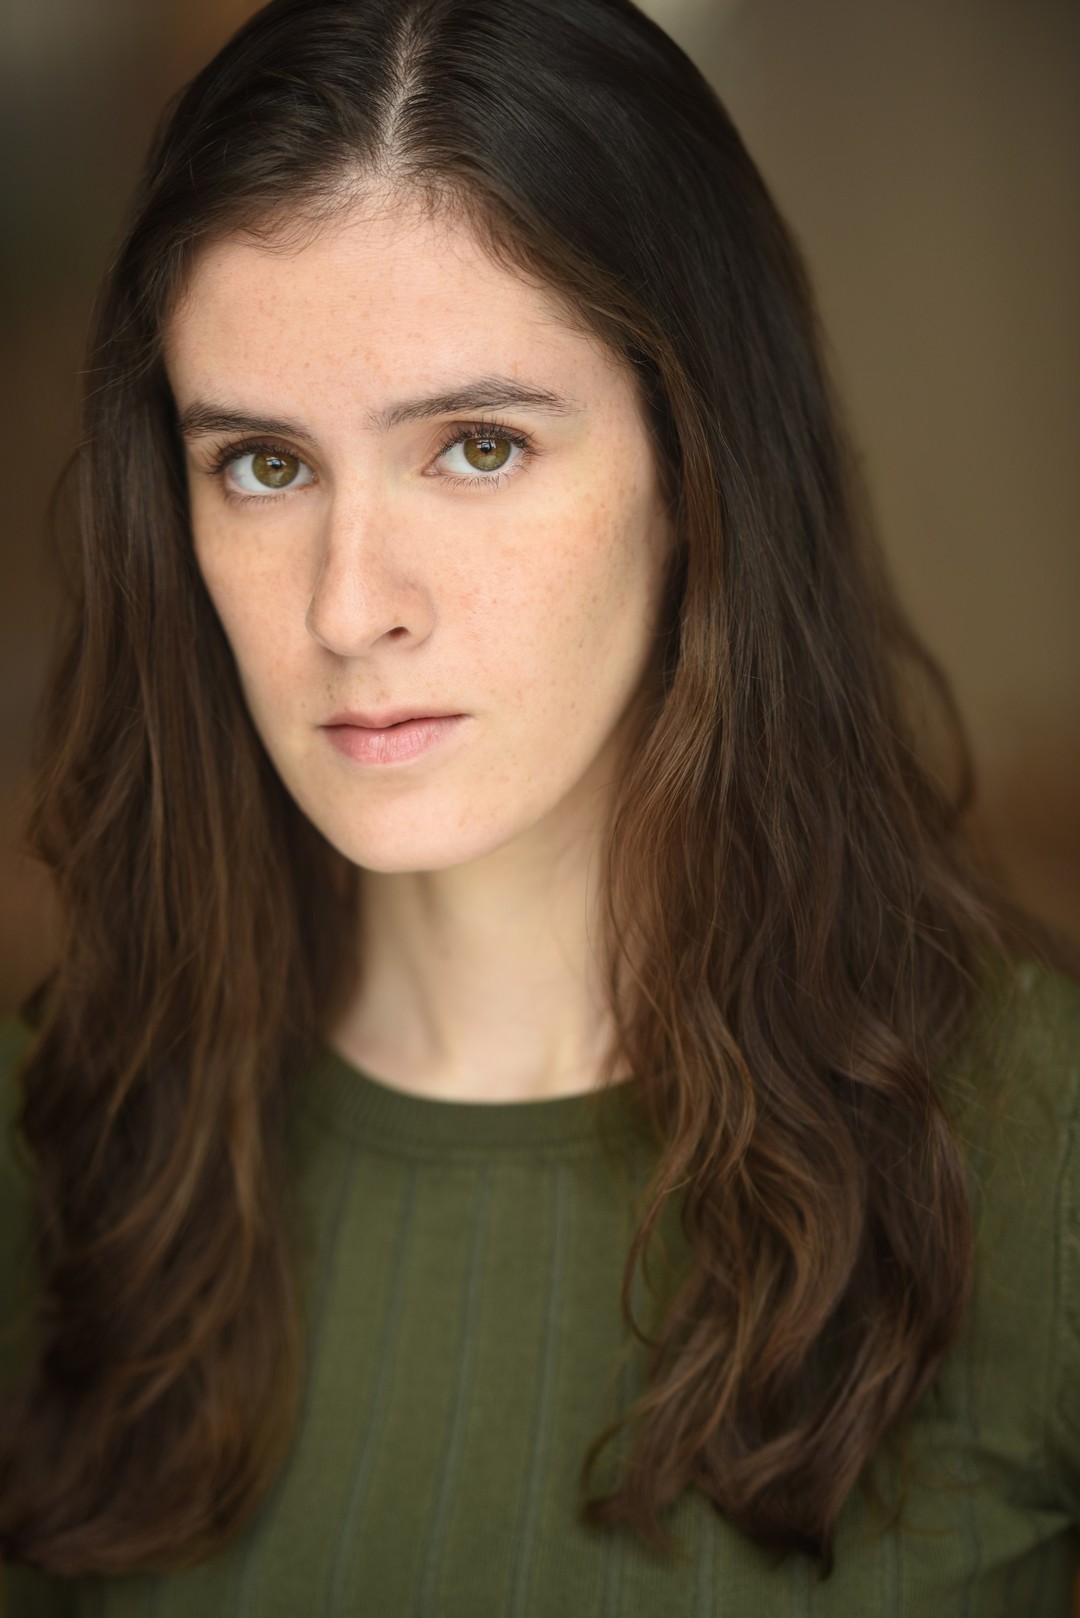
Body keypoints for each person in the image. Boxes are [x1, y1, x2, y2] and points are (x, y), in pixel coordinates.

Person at [1, 0, 1078, 1612]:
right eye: (266, 465)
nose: (349, 606)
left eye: (479, 446)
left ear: (695, 472)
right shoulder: (56, 1150)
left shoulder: (1037, 1158)